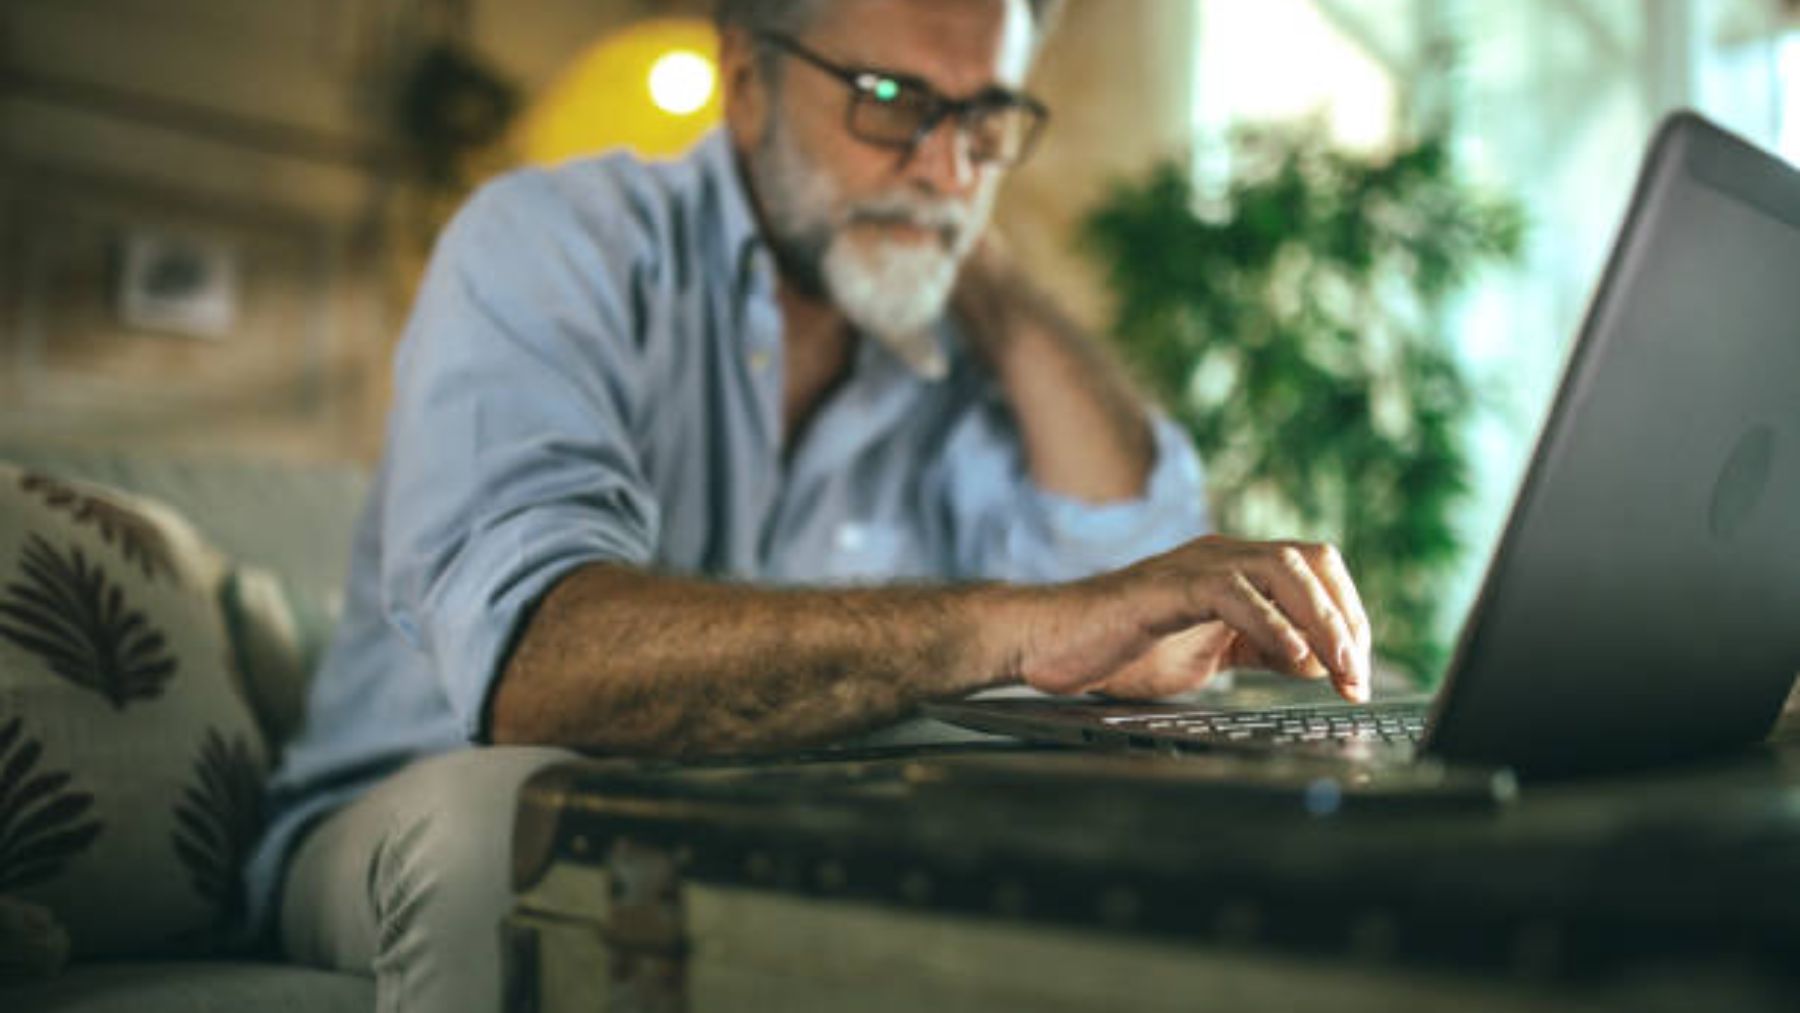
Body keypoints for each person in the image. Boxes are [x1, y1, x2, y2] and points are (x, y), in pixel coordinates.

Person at [252, 0, 1374, 1008]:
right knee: (517, 829)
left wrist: (994, 281)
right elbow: (534, 659)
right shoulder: (549, 243)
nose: (947, 168)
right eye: (892, 102)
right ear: (746, 79)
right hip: (404, 809)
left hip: (760, 823)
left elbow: (1152, 588)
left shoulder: (946, 329)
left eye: (984, 117)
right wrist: (1017, 626)